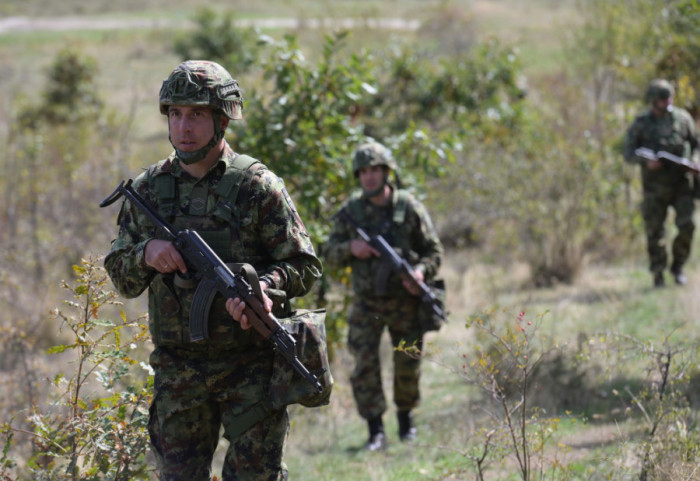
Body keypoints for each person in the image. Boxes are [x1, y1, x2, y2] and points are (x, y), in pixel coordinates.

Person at [104, 60, 322, 481]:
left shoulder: (257, 187)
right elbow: (120, 274)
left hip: (251, 369)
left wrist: (265, 286)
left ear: (223, 120)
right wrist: (147, 252)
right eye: (175, 114)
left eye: (197, 115)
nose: (183, 127)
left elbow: (304, 265)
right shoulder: (149, 189)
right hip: (178, 372)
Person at [324, 141, 444, 451]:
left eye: (375, 170)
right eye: (363, 172)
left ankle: (406, 423)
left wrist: (419, 273)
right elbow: (327, 254)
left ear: (386, 172)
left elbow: (434, 252)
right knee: (364, 364)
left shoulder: (408, 207)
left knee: (407, 362)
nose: (369, 177)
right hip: (366, 303)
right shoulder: (351, 211)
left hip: (405, 301)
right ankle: (375, 431)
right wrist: (351, 249)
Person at [623, 78, 699, 287]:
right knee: (655, 232)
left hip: (682, 185)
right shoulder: (641, 124)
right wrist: (646, 161)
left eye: (669, 98)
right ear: (653, 101)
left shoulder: (683, 120)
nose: (667, 102)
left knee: (687, 226)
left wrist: (694, 162)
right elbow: (628, 152)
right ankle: (658, 273)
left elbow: (696, 144)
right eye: (663, 99)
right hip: (654, 189)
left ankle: (678, 267)